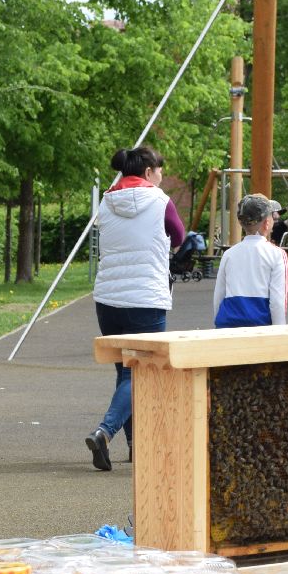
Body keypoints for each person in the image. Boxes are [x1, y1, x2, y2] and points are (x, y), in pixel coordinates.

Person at [85, 145, 185, 472]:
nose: (161, 176)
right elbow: (180, 235)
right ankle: (105, 432)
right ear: (148, 173)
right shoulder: (160, 201)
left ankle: (135, 446)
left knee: (125, 371)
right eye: (159, 171)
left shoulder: (107, 201)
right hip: (145, 298)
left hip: (108, 300)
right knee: (139, 372)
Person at [213, 193, 288, 328]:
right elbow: (277, 301)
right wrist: (279, 331)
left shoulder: (229, 254)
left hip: (228, 324)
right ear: (266, 223)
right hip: (260, 325)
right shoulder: (277, 254)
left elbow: (219, 296)